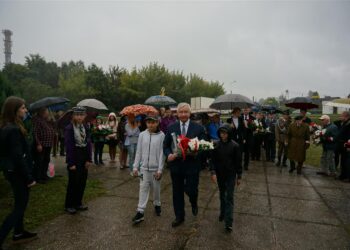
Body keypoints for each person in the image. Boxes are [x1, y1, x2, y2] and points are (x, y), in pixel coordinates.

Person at [0, 96, 37, 248]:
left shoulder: (8, 126)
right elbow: (17, 157)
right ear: (14, 110)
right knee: (19, 208)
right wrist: (28, 178)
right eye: (22, 108)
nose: (26, 110)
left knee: (21, 203)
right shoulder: (13, 129)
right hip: (17, 173)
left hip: (13, 171)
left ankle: (19, 232)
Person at [163, 103, 206, 227]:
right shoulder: (171, 127)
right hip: (176, 166)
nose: (183, 114)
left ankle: (194, 201)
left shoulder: (198, 128)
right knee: (177, 192)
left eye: (185, 112)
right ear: (177, 113)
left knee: (191, 190)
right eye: (180, 112)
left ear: (189, 113)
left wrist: (196, 151)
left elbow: (204, 145)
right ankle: (179, 216)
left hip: (192, 165)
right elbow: (165, 145)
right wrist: (169, 154)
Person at [131, 115, 165, 224]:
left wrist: (160, 170)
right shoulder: (142, 135)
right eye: (149, 122)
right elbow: (139, 151)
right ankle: (140, 212)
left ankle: (157, 204)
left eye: (153, 122)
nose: (151, 124)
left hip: (155, 169)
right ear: (146, 123)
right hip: (144, 169)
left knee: (156, 190)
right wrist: (135, 166)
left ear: (157, 123)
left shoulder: (161, 135)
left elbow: (161, 154)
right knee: (143, 189)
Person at [210, 124, 242, 233]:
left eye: (225, 133)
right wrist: (213, 172)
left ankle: (229, 222)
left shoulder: (235, 146)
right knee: (222, 195)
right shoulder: (216, 145)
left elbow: (238, 162)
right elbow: (212, 161)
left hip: (231, 175)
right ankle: (222, 212)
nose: (223, 135)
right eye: (221, 133)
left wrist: (239, 176)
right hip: (220, 175)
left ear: (229, 134)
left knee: (229, 197)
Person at [64, 106, 92, 214]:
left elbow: (88, 143)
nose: (79, 117)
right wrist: (71, 163)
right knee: (73, 182)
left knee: (82, 181)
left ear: (85, 116)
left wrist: (89, 159)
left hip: (84, 156)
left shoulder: (85, 127)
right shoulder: (69, 128)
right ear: (73, 116)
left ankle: (78, 203)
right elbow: (69, 147)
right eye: (77, 115)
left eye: (81, 115)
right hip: (74, 156)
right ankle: (69, 204)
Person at [32, 107, 55, 184]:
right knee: (39, 161)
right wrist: (38, 144)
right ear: (42, 112)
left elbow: (52, 127)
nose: (48, 113)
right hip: (42, 144)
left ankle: (44, 175)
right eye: (47, 111)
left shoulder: (45, 119)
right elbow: (35, 133)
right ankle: (38, 177)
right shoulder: (37, 120)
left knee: (46, 160)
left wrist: (51, 120)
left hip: (48, 144)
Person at [335, 111, 350, 181]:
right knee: (343, 161)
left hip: (346, 145)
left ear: (347, 117)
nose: (341, 117)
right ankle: (342, 175)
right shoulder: (343, 123)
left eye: (342, 116)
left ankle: (347, 176)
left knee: (347, 161)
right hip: (341, 144)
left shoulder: (349, 124)